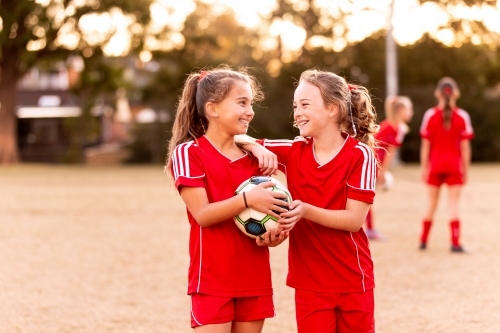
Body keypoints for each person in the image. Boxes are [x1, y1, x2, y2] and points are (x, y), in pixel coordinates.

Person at [238, 69, 379, 333]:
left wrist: (305, 210)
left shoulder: (360, 155)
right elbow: (236, 139)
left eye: (305, 104)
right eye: (295, 106)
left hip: (352, 279)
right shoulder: (294, 151)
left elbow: (354, 220)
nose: (297, 113)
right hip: (309, 282)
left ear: (332, 109)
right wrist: (258, 147)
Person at [166, 66, 290, 332]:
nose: (250, 111)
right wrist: (247, 200)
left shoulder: (257, 160)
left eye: (251, 103)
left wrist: (275, 234)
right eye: (241, 102)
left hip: (254, 278)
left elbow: (268, 216)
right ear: (213, 109)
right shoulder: (189, 153)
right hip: (212, 279)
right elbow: (203, 214)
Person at [419, 77, 474, 253]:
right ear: (456, 93)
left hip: (434, 166)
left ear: (437, 93)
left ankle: (423, 241)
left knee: (431, 204)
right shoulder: (463, 116)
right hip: (454, 166)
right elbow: (465, 148)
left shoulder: (430, 115)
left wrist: (424, 168)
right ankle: (455, 243)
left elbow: (425, 146)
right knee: (454, 206)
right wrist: (466, 170)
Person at [365, 96, 414, 241]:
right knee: (366, 198)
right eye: (409, 109)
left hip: (369, 162)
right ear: (400, 110)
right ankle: (370, 229)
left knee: (365, 198)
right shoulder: (398, 128)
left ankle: (369, 228)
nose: (411, 112)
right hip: (372, 164)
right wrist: (381, 172)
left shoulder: (387, 125)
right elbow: (389, 154)